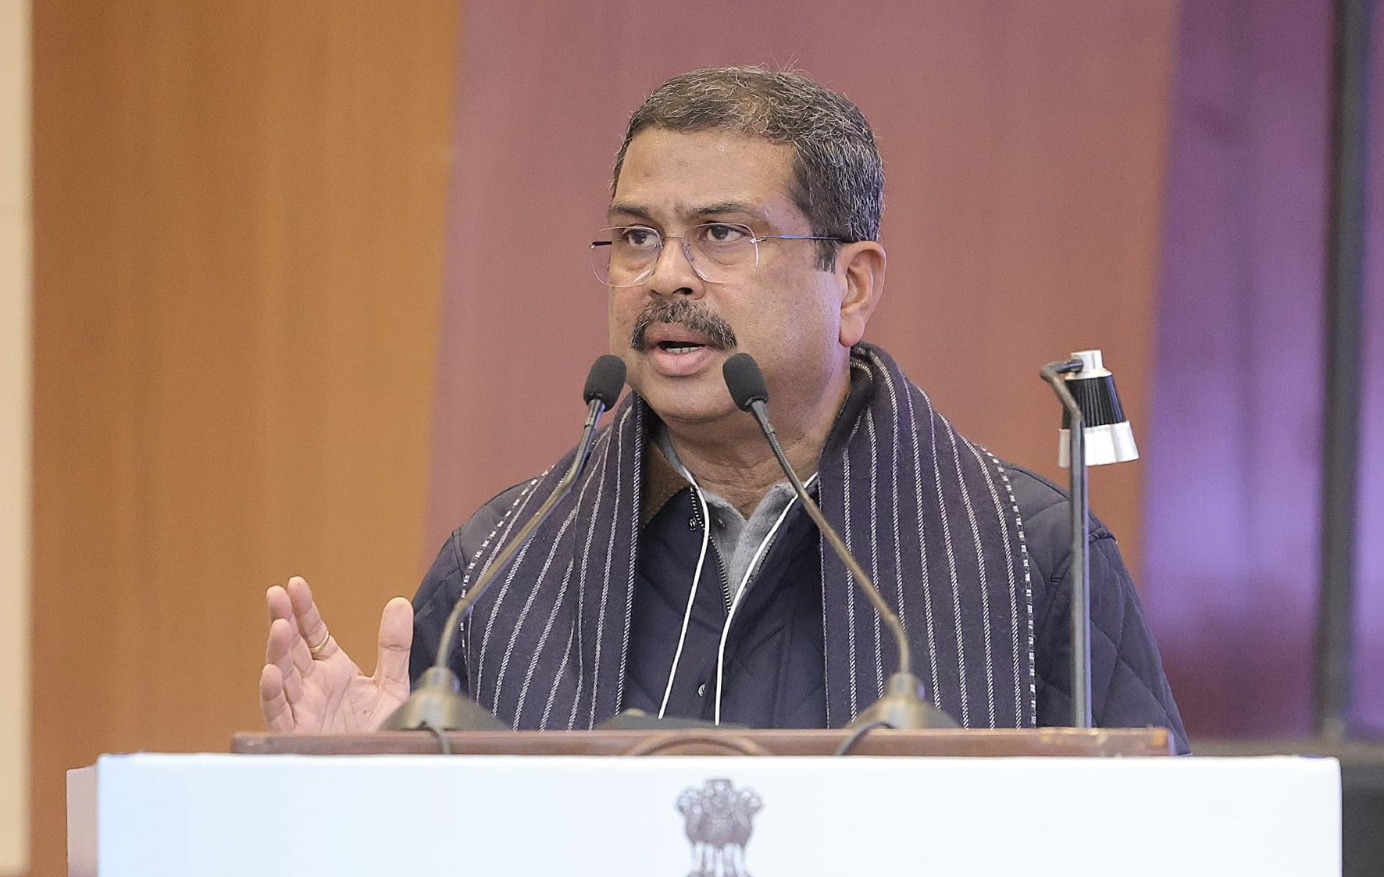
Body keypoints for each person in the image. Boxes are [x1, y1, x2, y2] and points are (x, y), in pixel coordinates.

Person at [259, 67, 1186, 745]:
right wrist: (358, 791)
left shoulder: (1027, 557)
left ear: (852, 285)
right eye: (636, 237)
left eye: (721, 234)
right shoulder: (500, 567)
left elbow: (1148, 870)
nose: (665, 275)